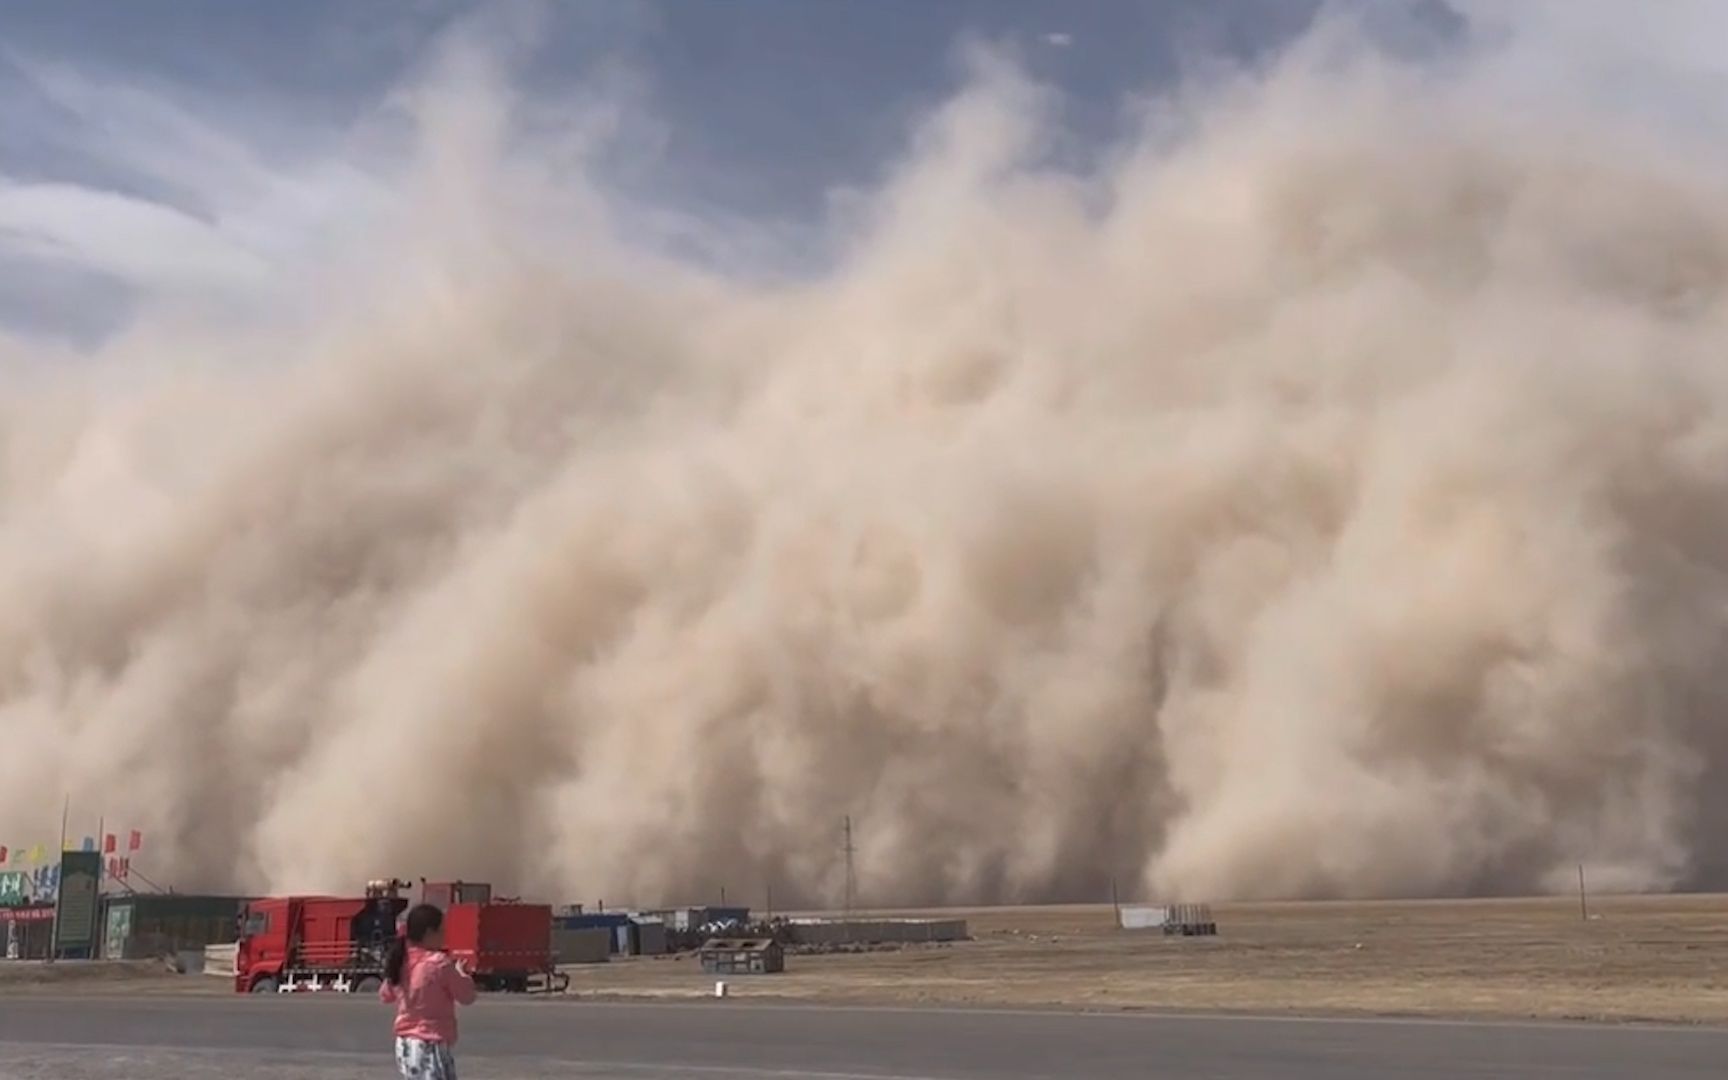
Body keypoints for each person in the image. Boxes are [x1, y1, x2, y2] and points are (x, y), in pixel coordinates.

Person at [380, 903, 477, 1079]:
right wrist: (463, 974)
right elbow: (467, 996)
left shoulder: (401, 960)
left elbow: (386, 994)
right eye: (441, 931)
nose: (444, 935)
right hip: (430, 1044)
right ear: (428, 933)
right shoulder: (438, 963)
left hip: (405, 1046)